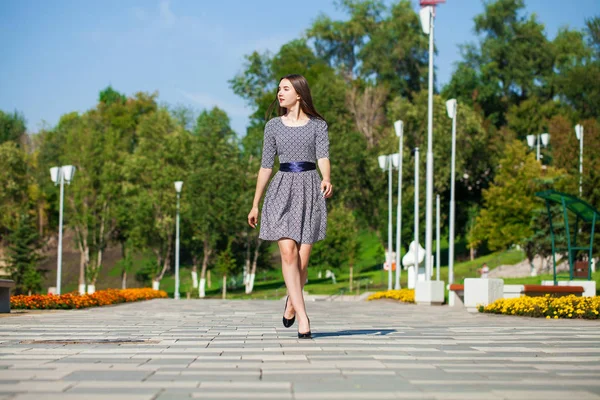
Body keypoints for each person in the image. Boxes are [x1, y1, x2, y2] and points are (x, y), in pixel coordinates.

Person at [247, 74, 333, 339]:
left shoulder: (318, 126)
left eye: (285, 88)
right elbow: (265, 166)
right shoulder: (273, 126)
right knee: (287, 253)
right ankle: (304, 318)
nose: (279, 93)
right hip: (281, 189)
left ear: (299, 93)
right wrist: (255, 204)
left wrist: (327, 178)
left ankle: (291, 301)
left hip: (309, 190)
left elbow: (323, 157)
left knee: (302, 261)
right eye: (278, 89)